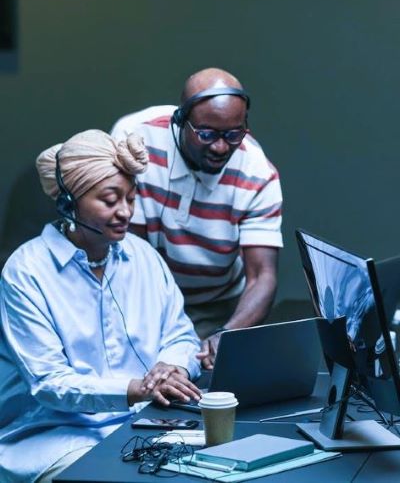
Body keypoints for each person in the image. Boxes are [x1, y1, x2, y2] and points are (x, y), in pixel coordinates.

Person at [0, 129, 201, 483]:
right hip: (56, 436)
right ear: (68, 203)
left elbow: (181, 334)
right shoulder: (26, 271)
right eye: (110, 200)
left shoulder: (143, 256)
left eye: (131, 197)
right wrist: (134, 388)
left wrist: (174, 367)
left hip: (145, 422)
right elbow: (50, 383)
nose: (125, 212)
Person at [111, 67, 283, 369]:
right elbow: (119, 249)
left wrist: (227, 335)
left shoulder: (258, 175)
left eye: (234, 134)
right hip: (137, 301)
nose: (220, 147)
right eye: (207, 134)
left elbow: (262, 277)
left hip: (215, 310)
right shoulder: (135, 138)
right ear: (181, 121)